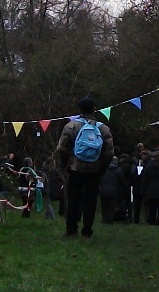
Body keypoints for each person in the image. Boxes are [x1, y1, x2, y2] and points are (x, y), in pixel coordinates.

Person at [53, 97, 114, 238]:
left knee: (73, 199)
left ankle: (71, 230)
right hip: (95, 170)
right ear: (94, 109)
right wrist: (102, 167)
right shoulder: (103, 128)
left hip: (75, 168)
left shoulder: (71, 126)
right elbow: (109, 152)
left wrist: (65, 164)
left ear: (80, 110)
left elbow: (61, 148)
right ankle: (87, 231)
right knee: (91, 201)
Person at [99, 157, 128, 224]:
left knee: (104, 207)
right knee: (111, 207)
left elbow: (100, 179)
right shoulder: (118, 170)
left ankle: (104, 220)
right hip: (113, 191)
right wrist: (126, 188)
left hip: (103, 191)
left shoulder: (104, 170)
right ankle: (110, 221)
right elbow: (122, 181)